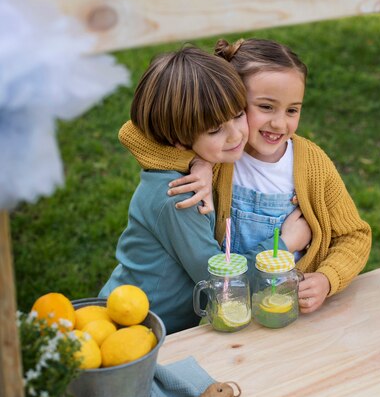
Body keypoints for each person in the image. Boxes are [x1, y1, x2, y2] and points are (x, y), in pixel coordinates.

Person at [119, 38, 372, 315]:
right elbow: (137, 133)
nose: (279, 122)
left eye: (292, 110)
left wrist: (328, 278)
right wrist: (197, 162)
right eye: (265, 107)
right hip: (222, 307)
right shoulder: (216, 164)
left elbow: (354, 235)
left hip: (279, 308)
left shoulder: (311, 164)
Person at [100, 46, 309, 334]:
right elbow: (221, 282)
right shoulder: (181, 195)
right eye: (214, 130)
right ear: (178, 139)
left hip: (146, 321)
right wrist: (287, 243)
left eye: (237, 115)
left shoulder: (192, 166)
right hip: (136, 329)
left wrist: (201, 161)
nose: (236, 135)